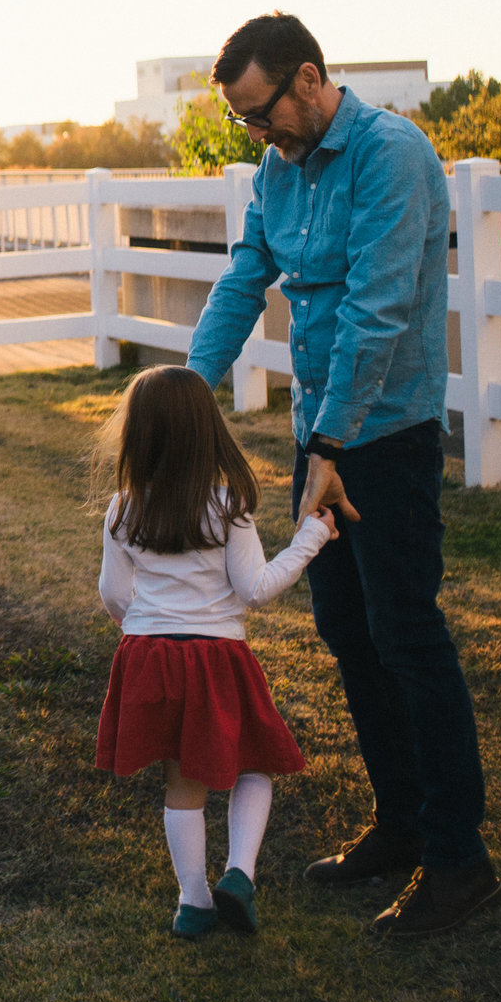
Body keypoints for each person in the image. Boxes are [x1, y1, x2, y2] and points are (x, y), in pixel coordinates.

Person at [185, 11, 501, 938]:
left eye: (262, 112)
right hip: (320, 437)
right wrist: (187, 400)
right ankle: (401, 823)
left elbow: (377, 310)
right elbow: (246, 277)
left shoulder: (392, 156)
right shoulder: (281, 174)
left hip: (383, 441)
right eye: (244, 120)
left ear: (311, 77)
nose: (259, 134)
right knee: (347, 631)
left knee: (407, 633)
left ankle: (459, 859)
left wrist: (330, 449)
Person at [95, 365, 339, 939]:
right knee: (254, 764)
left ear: (140, 434)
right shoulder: (226, 505)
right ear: (208, 430)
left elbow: (113, 594)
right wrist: (312, 536)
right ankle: (238, 875)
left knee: (182, 781)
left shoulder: (123, 508)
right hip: (216, 658)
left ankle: (193, 902)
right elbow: (255, 589)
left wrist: (144, 631)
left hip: (150, 655)